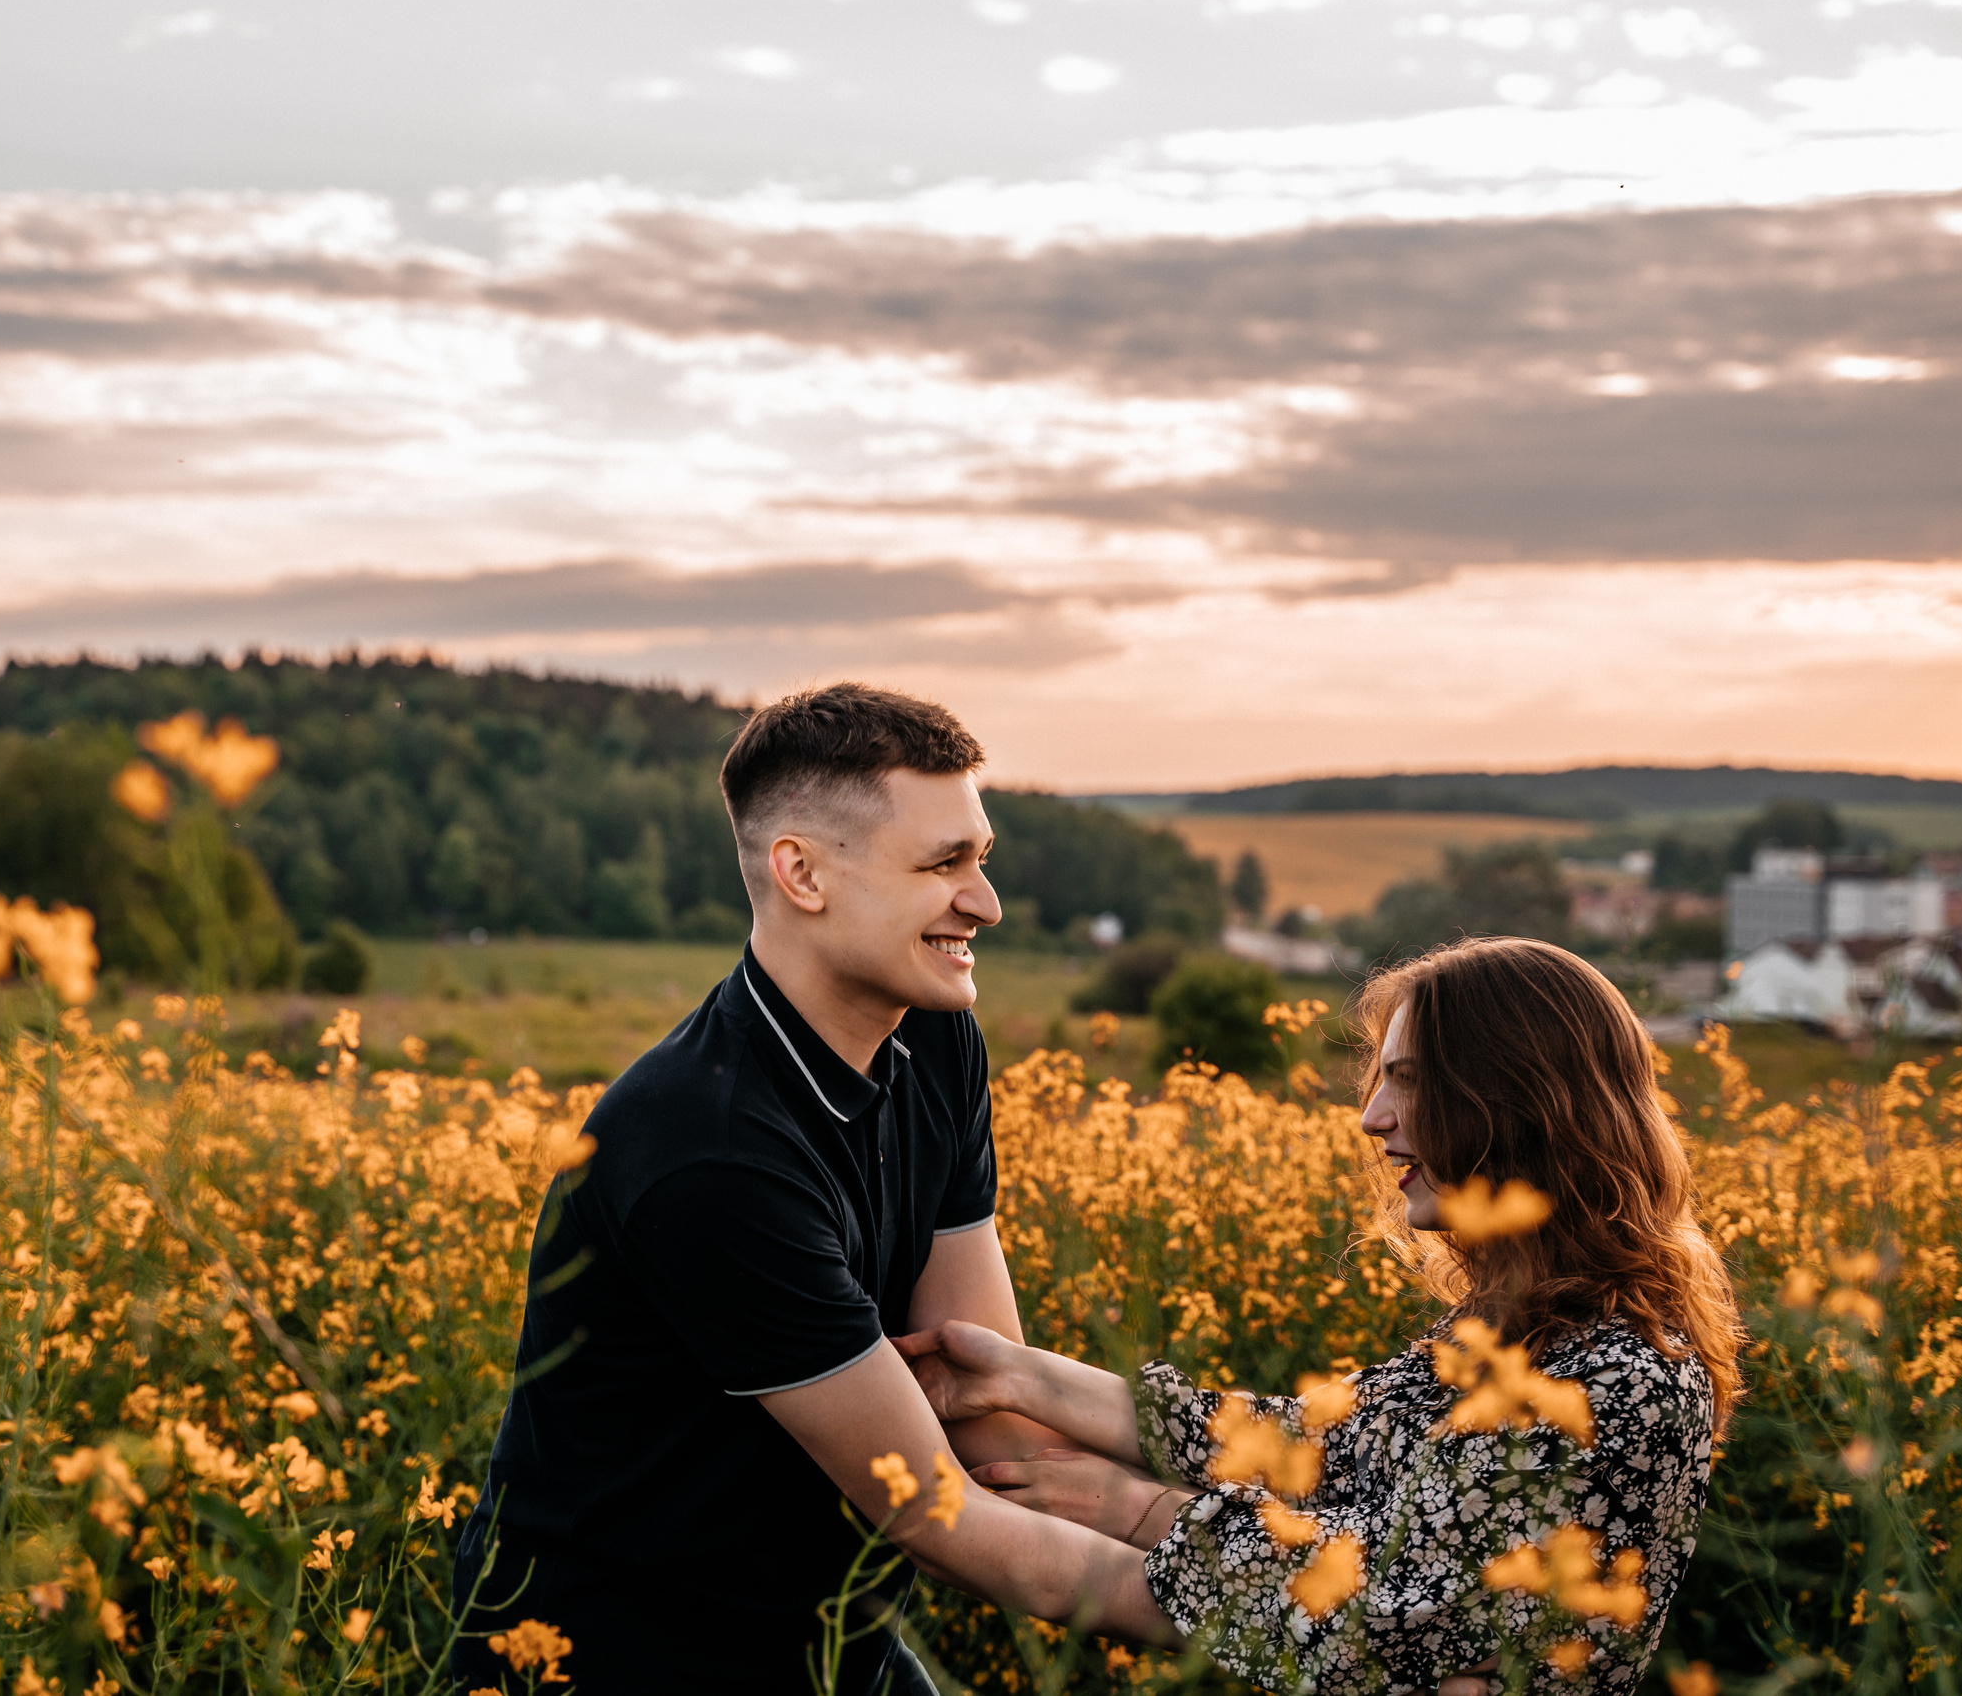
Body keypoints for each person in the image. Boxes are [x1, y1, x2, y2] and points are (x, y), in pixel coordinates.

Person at [451, 684, 1164, 1695]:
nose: (986, 902)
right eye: (943, 865)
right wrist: (1285, 1609)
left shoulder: (936, 1036)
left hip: (827, 1635)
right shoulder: (707, 1150)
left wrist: (1281, 1537)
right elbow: (935, 1515)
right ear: (802, 874)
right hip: (613, 1656)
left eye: (981, 859)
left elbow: (983, 1395)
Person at [899, 936, 1744, 1693]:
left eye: (1410, 1081)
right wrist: (1018, 1375)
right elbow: (1313, 1451)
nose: (1373, 1117)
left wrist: (1137, 1508)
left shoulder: (1627, 1380)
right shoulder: (1511, 1330)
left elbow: (1375, 1617)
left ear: (1520, 1101)